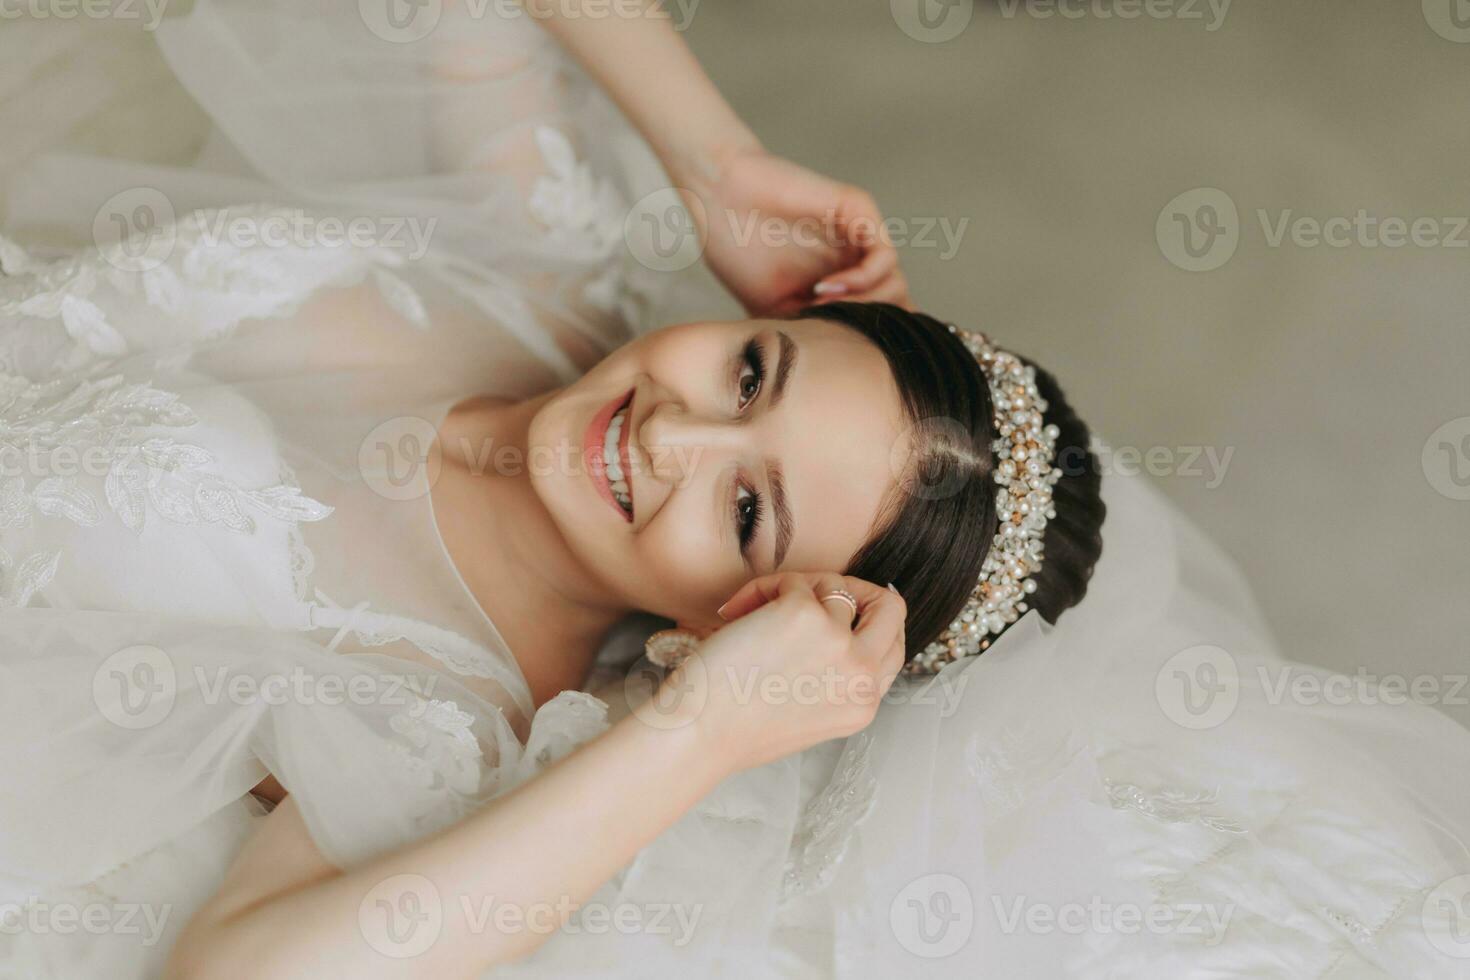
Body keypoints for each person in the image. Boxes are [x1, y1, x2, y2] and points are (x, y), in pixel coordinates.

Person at [1, 4, 1466, 978]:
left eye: (745, 510)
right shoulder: (541, 274)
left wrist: (698, 736)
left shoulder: (436, 708)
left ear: (751, 609)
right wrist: (709, 153)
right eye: (753, 374)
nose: (668, 434)